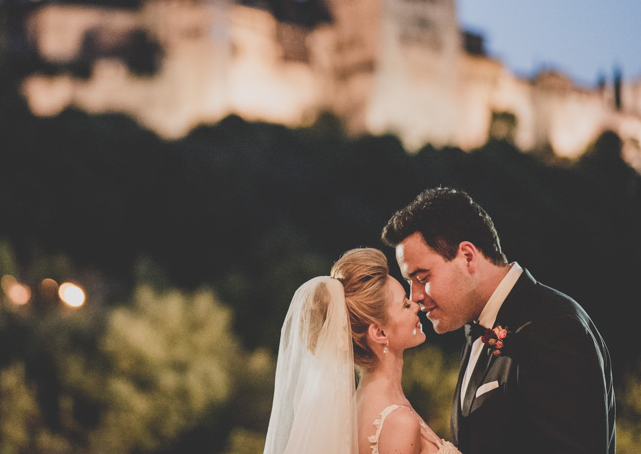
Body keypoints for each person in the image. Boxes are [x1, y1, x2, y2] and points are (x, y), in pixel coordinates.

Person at [382, 187, 615, 454]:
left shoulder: (555, 328)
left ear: (467, 256)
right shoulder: (476, 328)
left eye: (422, 278)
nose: (416, 296)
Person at [263, 247, 459, 454]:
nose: (416, 306)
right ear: (379, 333)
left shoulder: (358, 408)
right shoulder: (398, 423)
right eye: (404, 305)